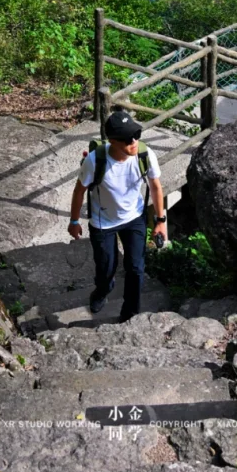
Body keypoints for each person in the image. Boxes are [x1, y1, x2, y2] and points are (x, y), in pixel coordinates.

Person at [68, 108, 167, 322]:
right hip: (103, 223)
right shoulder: (95, 161)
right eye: (126, 139)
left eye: (136, 135)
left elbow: (156, 187)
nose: (133, 141)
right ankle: (102, 290)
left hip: (134, 218)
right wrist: (74, 221)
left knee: (136, 268)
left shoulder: (144, 154)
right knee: (106, 269)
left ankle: (130, 314)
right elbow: (79, 191)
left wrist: (161, 221)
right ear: (113, 141)